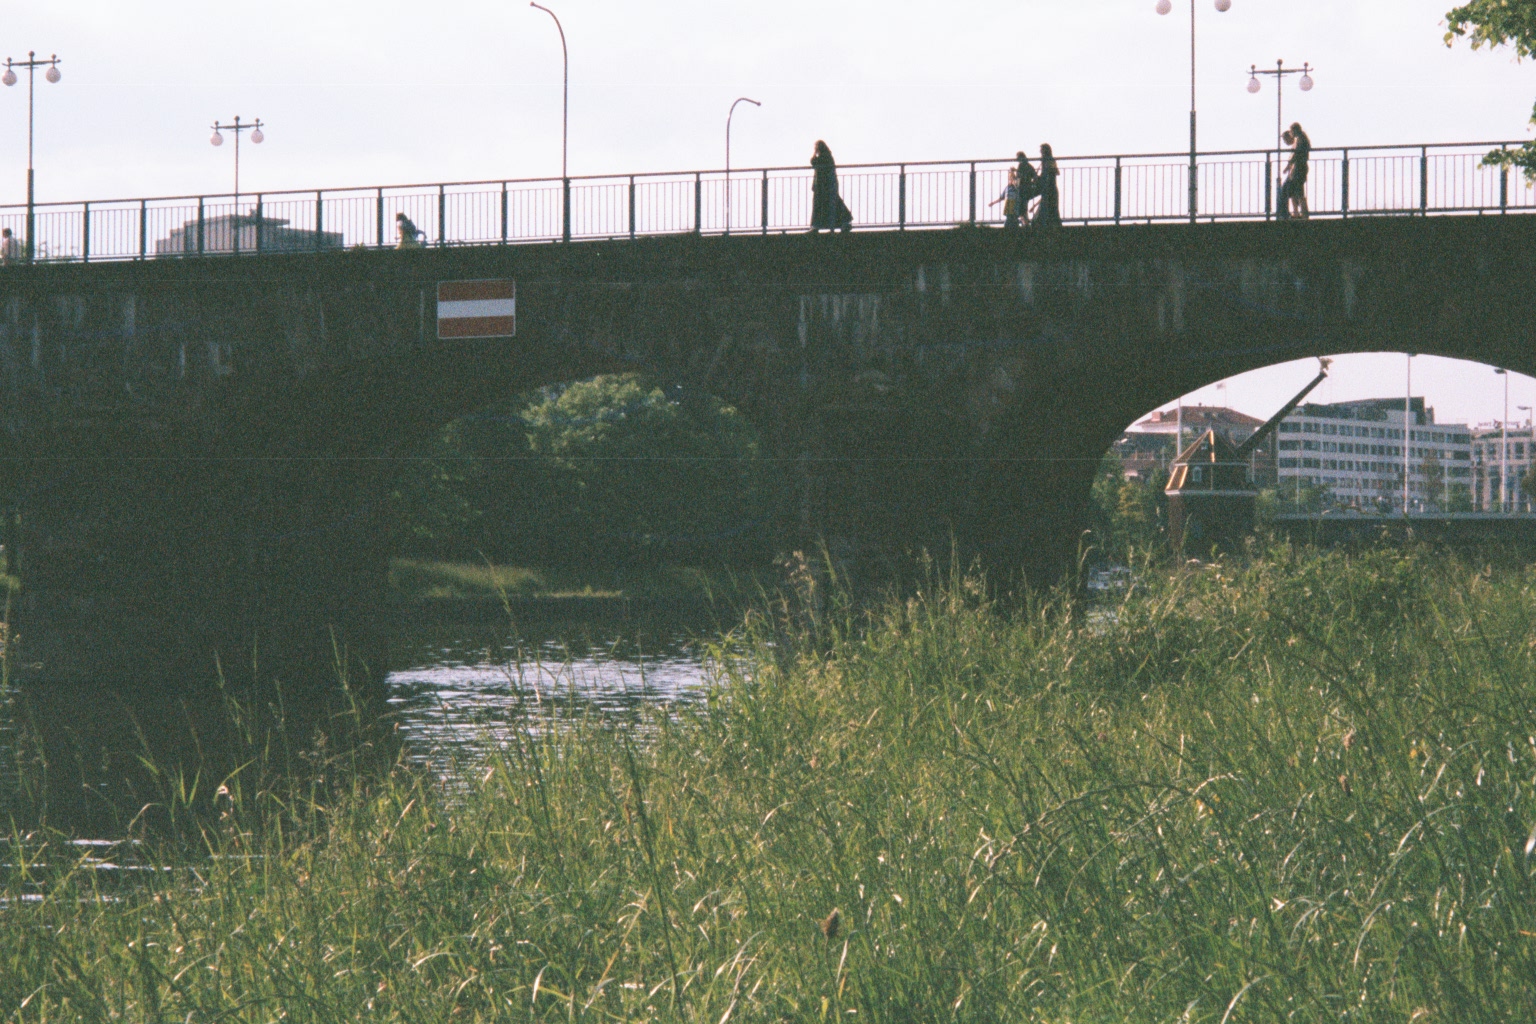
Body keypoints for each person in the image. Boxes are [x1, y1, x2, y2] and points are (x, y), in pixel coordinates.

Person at [810, 140, 852, 233]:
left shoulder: (824, 157)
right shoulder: (828, 156)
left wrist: (814, 153)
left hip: (824, 186)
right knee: (832, 204)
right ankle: (841, 223)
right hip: (828, 185)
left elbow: (813, 162)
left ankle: (818, 226)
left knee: (823, 205)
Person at [1280, 122, 1311, 220]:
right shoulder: (1301, 139)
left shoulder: (1300, 139)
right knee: (1294, 191)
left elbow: (1296, 154)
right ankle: (1298, 213)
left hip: (1299, 168)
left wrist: (1288, 165)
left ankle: (1302, 213)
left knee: (1298, 191)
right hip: (1297, 168)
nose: (1291, 133)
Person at [1034, 143, 1061, 229]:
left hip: (1049, 189)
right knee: (1052, 211)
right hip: (1050, 189)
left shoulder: (1048, 160)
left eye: (1041, 150)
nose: (1040, 152)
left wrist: (1038, 178)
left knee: (1047, 211)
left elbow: (1054, 172)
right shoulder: (1049, 160)